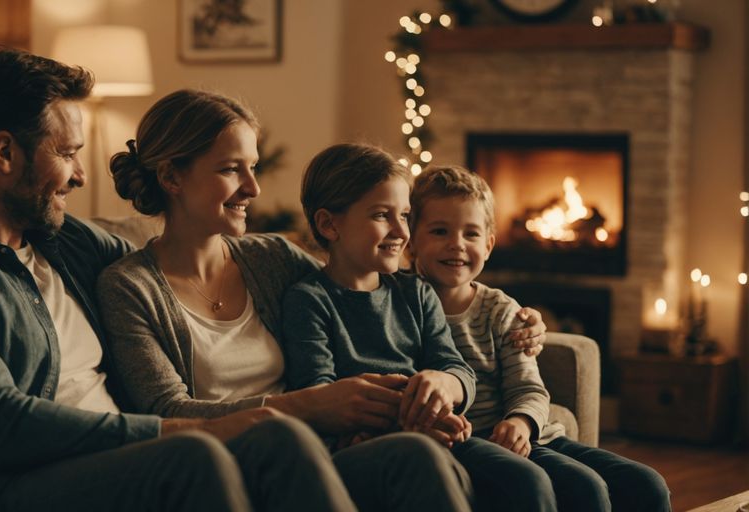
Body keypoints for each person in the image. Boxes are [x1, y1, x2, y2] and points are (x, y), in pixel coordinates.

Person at [0, 47, 357, 512]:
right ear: (4, 153)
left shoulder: (64, 242)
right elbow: (1, 427)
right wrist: (194, 426)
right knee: (196, 456)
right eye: (66, 154)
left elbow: (163, 269)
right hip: (3, 486)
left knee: (280, 439)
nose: (81, 176)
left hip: (114, 461)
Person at [97, 89, 544, 511]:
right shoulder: (130, 287)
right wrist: (308, 407)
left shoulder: (270, 257)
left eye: (253, 167)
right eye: (232, 169)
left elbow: (366, 287)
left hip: (324, 443)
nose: (253, 188)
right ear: (172, 176)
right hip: (237, 460)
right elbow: (166, 414)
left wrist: (507, 318)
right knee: (415, 456)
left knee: (478, 467)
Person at [284, 143, 563, 512]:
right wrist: (404, 420)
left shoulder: (416, 292)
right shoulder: (309, 301)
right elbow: (317, 396)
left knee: (528, 479)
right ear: (328, 224)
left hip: (435, 431)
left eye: (405, 215)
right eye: (383, 215)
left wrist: (444, 384)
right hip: (379, 444)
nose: (402, 231)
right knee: (511, 480)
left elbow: (457, 368)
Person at [407, 165, 671, 512]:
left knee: (646, 484)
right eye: (440, 231)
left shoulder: (501, 311)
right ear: (411, 241)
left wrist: (521, 421)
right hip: (473, 442)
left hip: (533, 436)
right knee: (585, 489)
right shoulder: (402, 304)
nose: (456, 244)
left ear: (488, 245)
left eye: (471, 234)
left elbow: (529, 387)